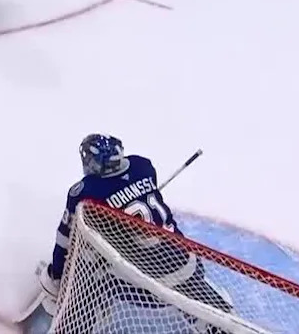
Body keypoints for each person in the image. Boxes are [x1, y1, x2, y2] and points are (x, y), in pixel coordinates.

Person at [34, 135, 233, 333]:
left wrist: (57, 275)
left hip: (151, 287)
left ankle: (74, 327)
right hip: (189, 262)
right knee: (172, 269)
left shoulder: (86, 192)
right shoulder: (142, 166)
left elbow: (64, 239)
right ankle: (209, 313)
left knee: (94, 266)